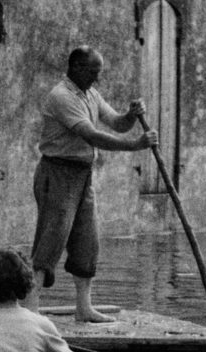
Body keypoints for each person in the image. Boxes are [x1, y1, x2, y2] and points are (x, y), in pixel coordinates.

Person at [32, 45, 159, 323]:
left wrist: (131, 114)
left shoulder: (90, 93)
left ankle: (84, 308)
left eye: (98, 72)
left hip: (82, 175)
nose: (97, 78)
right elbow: (91, 135)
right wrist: (135, 145)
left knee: (87, 241)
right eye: (93, 72)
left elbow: (117, 123)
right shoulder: (61, 96)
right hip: (57, 173)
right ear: (76, 67)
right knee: (51, 238)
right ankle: (30, 308)